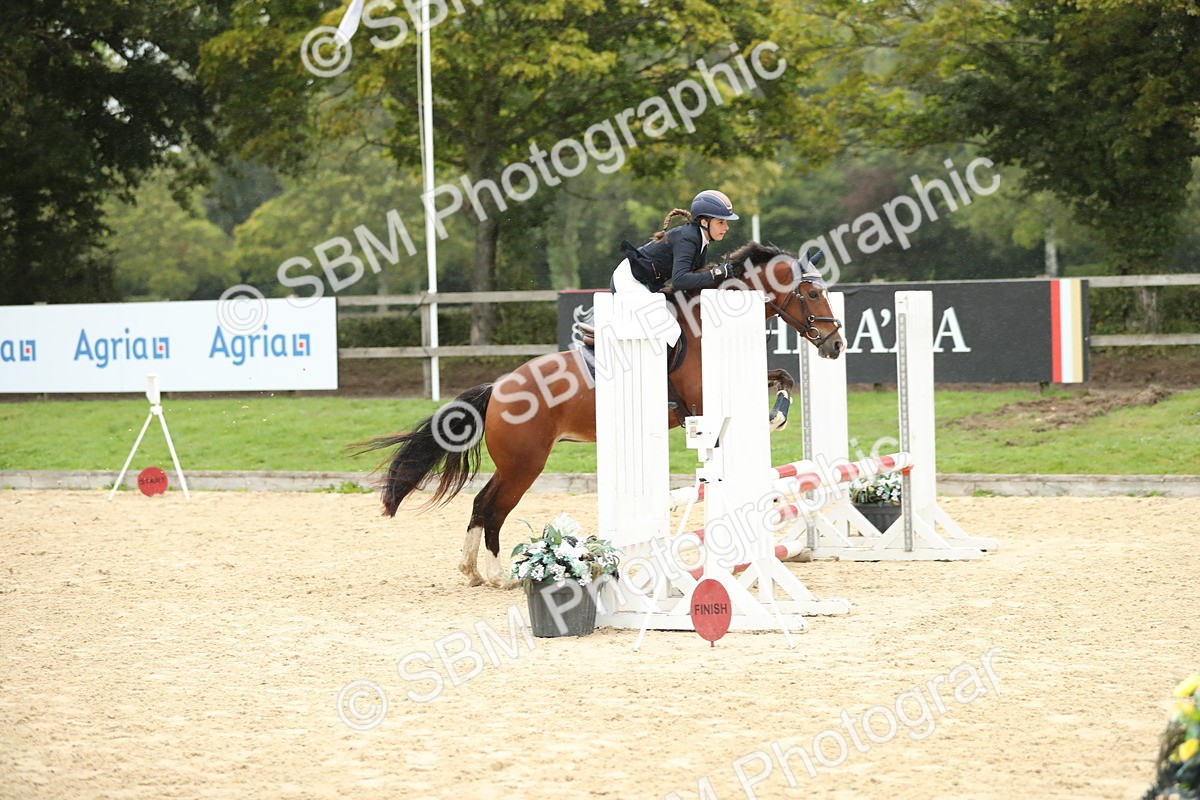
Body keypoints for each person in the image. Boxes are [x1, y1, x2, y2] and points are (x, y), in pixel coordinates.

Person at [611, 189, 739, 346]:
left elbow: (695, 280)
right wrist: (715, 273)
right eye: (721, 222)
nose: (726, 227)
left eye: (725, 222)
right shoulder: (689, 238)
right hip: (629, 280)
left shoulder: (701, 241)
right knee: (670, 329)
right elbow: (679, 281)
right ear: (704, 222)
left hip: (645, 282)